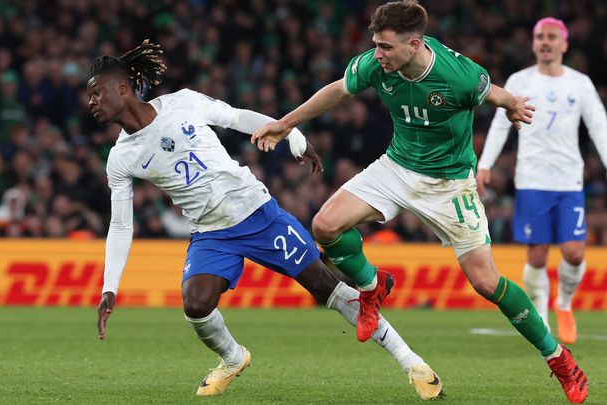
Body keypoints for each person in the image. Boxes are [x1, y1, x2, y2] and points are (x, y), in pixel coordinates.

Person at [251, 2, 588, 403]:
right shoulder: (377, 64)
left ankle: (559, 359)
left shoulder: (456, 74)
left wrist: (514, 104)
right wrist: (286, 122)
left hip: (450, 184)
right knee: (325, 225)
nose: (377, 54)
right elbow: (340, 89)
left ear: (414, 44)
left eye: (386, 47)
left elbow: (492, 92)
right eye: (376, 45)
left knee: (485, 282)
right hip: (397, 167)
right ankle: (372, 288)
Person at [90, 40, 444, 400]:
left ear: (123, 88)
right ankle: (232, 358)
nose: (91, 102)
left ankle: (413, 363)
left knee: (327, 290)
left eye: (97, 92)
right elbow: (121, 225)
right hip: (210, 233)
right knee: (196, 305)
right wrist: (110, 287)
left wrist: (293, 134)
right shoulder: (121, 158)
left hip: (257, 213)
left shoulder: (182, 103)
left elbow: (238, 117)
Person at [477, 17, 607, 346]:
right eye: (539, 37)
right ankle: (542, 317)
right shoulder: (520, 81)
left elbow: (599, 126)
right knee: (536, 256)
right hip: (532, 180)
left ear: (564, 44)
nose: (545, 42)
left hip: (568, 181)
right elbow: (500, 124)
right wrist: (486, 164)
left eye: (551, 37)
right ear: (533, 44)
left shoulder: (580, 83)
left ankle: (564, 304)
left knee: (575, 253)